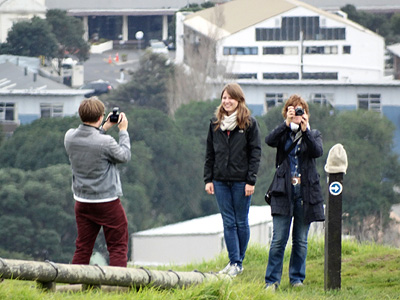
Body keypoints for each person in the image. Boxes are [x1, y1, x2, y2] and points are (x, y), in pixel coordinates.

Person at [264, 94, 325, 290]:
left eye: (301, 110)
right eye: (293, 109)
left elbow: (317, 151)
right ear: (287, 112)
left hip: (305, 192)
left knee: (300, 240)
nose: (298, 113)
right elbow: (269, 140)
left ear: (306, 113)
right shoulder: (283, 134)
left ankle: (297, 278)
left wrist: (305, 129)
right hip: (284, 191)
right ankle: (272, 281)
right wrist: (287, 123)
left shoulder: (313, 134)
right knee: (278, 240)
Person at [64, 97, 131, 267]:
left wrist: (104, 128)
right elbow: (124, 156)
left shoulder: (69, 137)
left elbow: (91, 139)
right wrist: (123, 130)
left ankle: (75, 283)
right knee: (117, 246)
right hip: (106, 201)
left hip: (82, 201)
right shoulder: (105, 142)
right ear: (101, 116)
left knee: (83, 247)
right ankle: (118, 286)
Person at [204, 83, 261, 277]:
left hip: (241, 181)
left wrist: (251, 181)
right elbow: (209, 153)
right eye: (224, 98)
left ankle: (238, 262)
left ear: (239, 100)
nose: (227, 101)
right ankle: (234, 262)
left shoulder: (250, 123)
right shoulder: (215, 123)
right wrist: (208, 178)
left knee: (240, 221)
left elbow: (255, 153)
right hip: (220, 180)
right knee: (228, 222)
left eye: (231, 98)